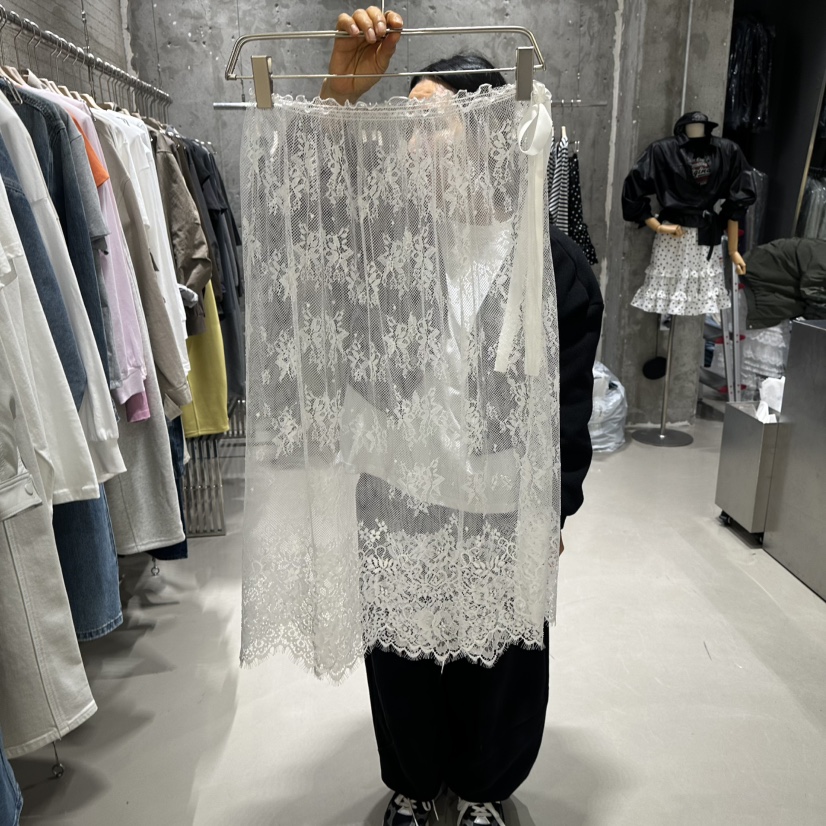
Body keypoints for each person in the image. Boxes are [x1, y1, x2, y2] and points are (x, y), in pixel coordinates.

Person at [319, 9, 604, 825]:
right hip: (399, 478)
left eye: (429, 125)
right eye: (404, 126)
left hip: (500, 489)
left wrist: (557, 506)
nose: (410, 144)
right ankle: (413, 780)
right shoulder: (383, 243)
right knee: (401, 643)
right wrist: (339, 96)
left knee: (500, 648)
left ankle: (483, 788)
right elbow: (305, 224)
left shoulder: (552, 263)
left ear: (485, 133)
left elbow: (568, 405)